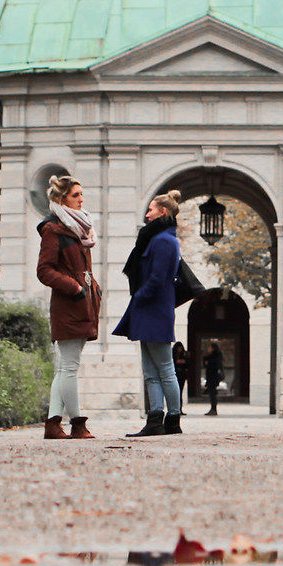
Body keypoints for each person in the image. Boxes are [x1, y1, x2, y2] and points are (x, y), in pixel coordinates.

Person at [112, 190, 184, 436]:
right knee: (151, 371)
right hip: (150, 309)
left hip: (154, 309)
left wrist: (139, 297)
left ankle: (173, 419)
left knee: (164, 367)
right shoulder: (159, 238)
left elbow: (157, 278)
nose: (147, 214)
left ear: (163, 212)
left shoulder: (164, 240)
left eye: (151, 209)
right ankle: (155, 419)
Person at [35, 174, 100, 440]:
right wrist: (74, 288)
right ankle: (77, 423)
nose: (81, 199)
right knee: (70, 367)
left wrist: (92, 288)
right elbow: (44, 270)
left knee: (65, 367)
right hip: (69, 304)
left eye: (81, 194)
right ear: (62, 199)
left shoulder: (78, 227)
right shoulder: (54, 229)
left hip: (82, 303)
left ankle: (53, 423)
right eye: (76, 195)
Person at [201, 340, 225, 415]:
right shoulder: (214, 356)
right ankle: (213, 408)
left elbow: (210, 365)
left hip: (212, 377)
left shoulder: (214, 356)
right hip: (212, 377)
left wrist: (207, 361)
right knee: (212, 393)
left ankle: (213, 409)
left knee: (212, 393)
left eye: (210, 348)